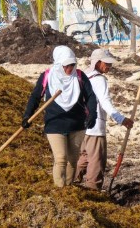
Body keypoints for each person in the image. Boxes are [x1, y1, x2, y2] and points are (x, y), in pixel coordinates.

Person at [22, 45, 97, 188]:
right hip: (55, 124)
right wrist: (27, 116)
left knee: (72, 159)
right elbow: (35, 97)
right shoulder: (47, 76)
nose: (70, 69)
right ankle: (59, 189)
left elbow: (91, 97)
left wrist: (93, 113)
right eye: (66, 66)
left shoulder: (80, 76)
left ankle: (68, 188)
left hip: (77, 124)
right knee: (61, 158)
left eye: (72, 65)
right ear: (58, 65)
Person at [73, 48, 134, 190]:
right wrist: (121, 119)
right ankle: (93, 189)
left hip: (81, 125)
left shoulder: (84, 76)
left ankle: (72, 181)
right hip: (95, 126)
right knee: (96, 159)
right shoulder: (99, 80)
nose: (110, 66)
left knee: (84, 156)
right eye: (107, 63)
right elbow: (105, 102)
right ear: (98, 62)